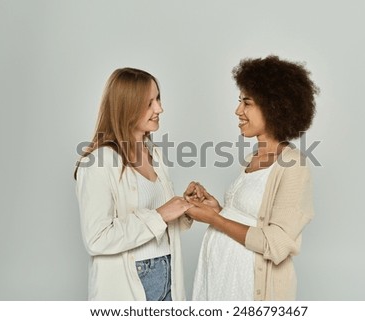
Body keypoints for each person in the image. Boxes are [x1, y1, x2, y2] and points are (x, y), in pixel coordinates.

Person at [184, 55, 318, 300]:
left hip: (249, 290)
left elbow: (275, 244)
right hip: (220, 280)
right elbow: (253, 220)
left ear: (273, 107)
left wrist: (214, 219)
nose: (238, 111)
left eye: (247, 103)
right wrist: (218, 209)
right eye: (239, 102)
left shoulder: (293, 166)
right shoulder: (252, 157)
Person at [74, 68, 193, 301]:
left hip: (168, 272)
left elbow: (161, 225)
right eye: (149, 103)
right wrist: (159, 214)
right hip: (134, 279)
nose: (159, 109)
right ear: (126, 107)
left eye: (158, 99)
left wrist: (186, 206)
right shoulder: (98, 161)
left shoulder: (154, 154)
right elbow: (96, 238)